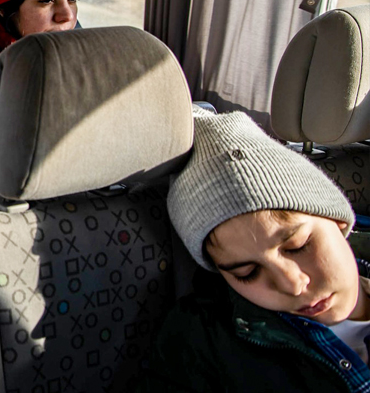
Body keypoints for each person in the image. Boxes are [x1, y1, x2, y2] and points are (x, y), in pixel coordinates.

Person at [138, 110, 369, 392]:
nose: (293, 284)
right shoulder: (203, 343)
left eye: (298, 247)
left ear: (338, 219)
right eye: (247, 273)